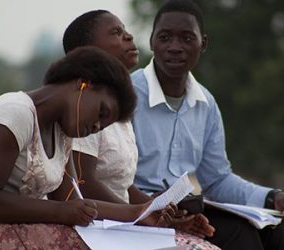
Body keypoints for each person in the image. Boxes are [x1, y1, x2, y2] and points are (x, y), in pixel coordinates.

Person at [0, 46, 159, 249]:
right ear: (84, 83)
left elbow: (70, 200)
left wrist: (137, 214)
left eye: (103, 127)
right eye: (101, 112)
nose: (96, 126)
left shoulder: (61, 134)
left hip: (13, 229)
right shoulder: (16, 113)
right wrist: (60, 212)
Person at [130, 0, 284, 249]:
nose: (175, 47)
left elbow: (217, 180)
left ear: (204, 44)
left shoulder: (205, 104)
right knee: (241, 237)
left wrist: (272, 196)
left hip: (187, 209)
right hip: (141, 209)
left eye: (187, 38)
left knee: (281, 234)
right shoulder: (128, 95)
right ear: (152, 41)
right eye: (165, 37)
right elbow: (114, 175)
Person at [63, 10, 220, 250]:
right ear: (88, 52)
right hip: (100, 227)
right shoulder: (85, 105)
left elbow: (123, 184)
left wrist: (163, 214)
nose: (128, 37)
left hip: (125, 223)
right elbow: (83, 183)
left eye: (126, 30)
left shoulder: (119, 108)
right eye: (117, 33)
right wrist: (138, 215)